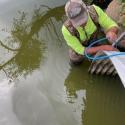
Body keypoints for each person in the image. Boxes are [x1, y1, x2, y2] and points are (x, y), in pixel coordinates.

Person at [62, 0, 119, 65]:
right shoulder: (66, 30)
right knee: (75, 58)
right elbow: (81, 50)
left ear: (86, 9)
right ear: (69, 18)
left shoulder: (94, 11)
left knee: (109, 43)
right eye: (77, 21)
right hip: (81, 46)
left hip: (96, 37)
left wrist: (112, 32)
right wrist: (103, 47)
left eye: (83, 18)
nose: (82, 23)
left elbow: (112, 25)